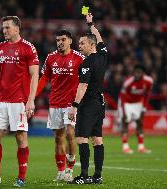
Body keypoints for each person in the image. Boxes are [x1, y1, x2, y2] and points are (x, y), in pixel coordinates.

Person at [0, 16, 39, 187]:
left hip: (19, 100)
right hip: (0, 100)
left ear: (17, 29)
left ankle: (21, 177)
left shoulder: (28, 48)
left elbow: (35, 75)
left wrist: (31, 100)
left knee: (20, 137)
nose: (4, 30)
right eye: (3, 28)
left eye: (8, 27)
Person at [36, 29, 84, 182]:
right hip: (55, 103)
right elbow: (44, 79)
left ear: (70, 41)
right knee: (58, 138)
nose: (60, 42)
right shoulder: (51, 58)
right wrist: (33, 96)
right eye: (58, 40)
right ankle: (61, 170)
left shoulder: (79, 58)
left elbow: (86, 80)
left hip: (71, 104)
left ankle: (70, 168)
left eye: (63, 39)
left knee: (70, 134)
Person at [68, 12, 107, 184]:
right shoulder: (102, 56)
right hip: (100, 103)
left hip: (89, 103)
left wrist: (74, 105)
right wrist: (91, 24)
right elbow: (99, 38)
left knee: (81, 138)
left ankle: (84, 176)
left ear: (91, 45)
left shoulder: (86, 63)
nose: (79, 45)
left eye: (82, 43)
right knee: (97, 139)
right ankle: (97, 176)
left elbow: (82, 86)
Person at [117, 64, 153, 154]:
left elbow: (147, 95)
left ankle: (141, 147)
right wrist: (124, 110)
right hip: (126, 103)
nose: (137, 74)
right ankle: (125, 147)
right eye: (136, 72)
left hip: (138, 103)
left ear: (143, 73)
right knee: (125, 122)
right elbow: (122, 96)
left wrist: (144, 108)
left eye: (139, 72)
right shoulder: (128, 82)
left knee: (140, 123)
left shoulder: (148, 81)